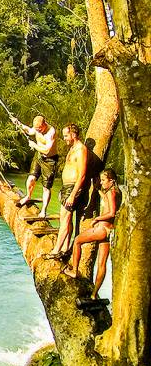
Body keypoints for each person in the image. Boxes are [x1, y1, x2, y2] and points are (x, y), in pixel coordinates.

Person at [64, 168, 120, 302]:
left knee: (77, 240)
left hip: (101, 229)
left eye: (103, 180)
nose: (102, 183)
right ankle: (94, 294)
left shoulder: (111, 193)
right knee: (102, 264)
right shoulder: (116, 192)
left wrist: (97, 219)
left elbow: (111, 213)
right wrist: (97, 189)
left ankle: (74, 271)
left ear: (111, 181)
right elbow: (108, 203)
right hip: (109, 232)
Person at [47, 123, 89, 259]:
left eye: (66, 135)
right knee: (66, 219)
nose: (64, 138)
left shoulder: (81, 150)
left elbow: (82, 175)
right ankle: (65, 248)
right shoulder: (72, 148)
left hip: (73, 188)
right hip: (66, 187)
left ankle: (56, 250)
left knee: (64, 218)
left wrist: (72, 195)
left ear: (73, 134)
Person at [13, 115, 58, 218]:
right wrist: (19, 123)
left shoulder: (51, 132)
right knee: (30, 179)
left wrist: (34, 146)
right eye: (37, 129)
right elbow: (30, 131)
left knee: (46, 187)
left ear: (44, 124)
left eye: (40, 129)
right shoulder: (37, 129)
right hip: (38, 157)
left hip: (50, 160)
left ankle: (43, 210)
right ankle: (28, 196)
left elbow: (47, 151)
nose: (38, 131)